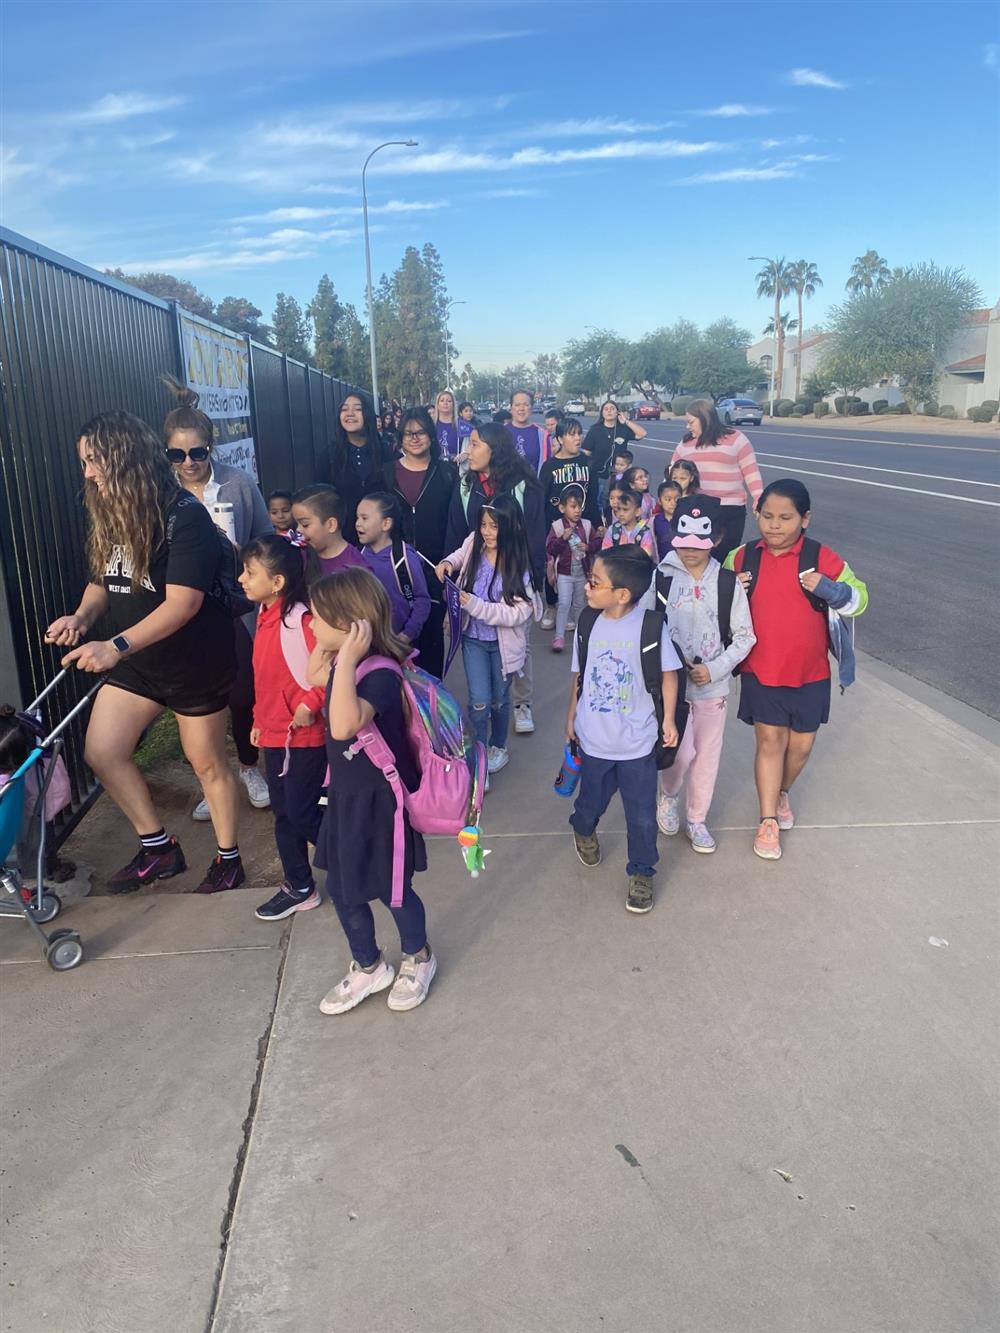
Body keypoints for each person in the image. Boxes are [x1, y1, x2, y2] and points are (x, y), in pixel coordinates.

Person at [45, 412, 243, 894]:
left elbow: (184, 603)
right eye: (84, 462)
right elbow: (102, 581)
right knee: (103, 751)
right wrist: (82, 619)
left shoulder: (184, 515)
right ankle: (158, 849)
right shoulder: (111, 512)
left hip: (193, 662)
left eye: (93, 461)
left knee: (207, 763)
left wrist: (114, 646)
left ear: (123, 457)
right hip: (140, 661)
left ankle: (228, 858)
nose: (87, 473)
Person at [308, 569, 436, 1015]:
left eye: (319, 617)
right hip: (345, 797)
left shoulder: (379, 675)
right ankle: (369, 965)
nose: (310, 623)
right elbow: (311, 674)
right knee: (342, 888)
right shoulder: (346, 665)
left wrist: (346, 659)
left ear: (350, 625)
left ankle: (419, 956)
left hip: (382, 803)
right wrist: (338, 651)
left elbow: (344, 724)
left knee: (392, 888)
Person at [724, 479, 869, 861]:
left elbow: (860, 600)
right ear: (756, 515)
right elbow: (711, 601)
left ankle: (782, 791)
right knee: (770, 741)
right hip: (761, 669)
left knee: (801, 747)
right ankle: (768, 818)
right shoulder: (741, 558)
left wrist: (831, 589)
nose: (774, 525)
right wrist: (729, 592)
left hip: (810, 672)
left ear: (805, 519)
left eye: (785, 518)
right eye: (767, 516)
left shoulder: (822, 558)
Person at [163, 378, 273, 816]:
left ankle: (248, 767)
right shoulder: (161, 494)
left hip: (235, 606)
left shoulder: (238, 484)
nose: (188, 462)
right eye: (177, 454)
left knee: (244, 692)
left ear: (211, 447)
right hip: (182, 610)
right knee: (195, 701)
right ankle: (213, 780)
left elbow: (265, 536)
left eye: (197, 452)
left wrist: (244, 560)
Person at [565, 547, 680, 914]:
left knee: (642, 817)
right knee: (589, 805)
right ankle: (582, 828)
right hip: (594, 741)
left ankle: (642, 872)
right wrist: (571, 718)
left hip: (637, 744)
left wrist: (669, 720)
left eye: (595, 582)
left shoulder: (649, 626)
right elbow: (580, 676)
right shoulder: (588, 623)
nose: (587, 587)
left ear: (622, 594)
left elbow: (668, 675)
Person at [655, 495, 756, 852]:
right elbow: (648, 630)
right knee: (679, 753)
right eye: (684, 544)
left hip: (713, 690)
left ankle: (697, 819)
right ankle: (668, 795)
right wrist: (667, 667)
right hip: (673, 690)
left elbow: (746, 636)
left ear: (717, 539)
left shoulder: (727, 583)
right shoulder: (661, 577)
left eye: (700, 543)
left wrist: (714, 669)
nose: (691, 551)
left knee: (707, 756)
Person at [237, 536, 328, 921]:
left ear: (277, 582)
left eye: (250, 572)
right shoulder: (264, 615)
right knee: (284, 813)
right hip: (275, 734)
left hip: (305, 736)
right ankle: (299, 885)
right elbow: (265, 677)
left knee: (303, 812)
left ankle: (351, 857)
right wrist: (259, 719)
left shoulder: (302, 620)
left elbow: (330, 670)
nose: (242, 579)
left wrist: (311, 704)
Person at [444, 422, 545, 735]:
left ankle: (521, 703)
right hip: (477, 581)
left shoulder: (524, 486)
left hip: (514, 580)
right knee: (481, 646)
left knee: (517, 643)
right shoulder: (465, 485)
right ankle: (488, 711)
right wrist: (453, 573)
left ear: (494, 449)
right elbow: (459, 533)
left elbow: (535, 537)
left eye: (475, 444)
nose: (469, 451)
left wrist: (531, 582)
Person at [436, 495, 540, 778]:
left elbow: (518, 613)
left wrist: (475, 606)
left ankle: (499, 747)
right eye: (484, 525)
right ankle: (480, 754)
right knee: (479, 702)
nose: (487, 532)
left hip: (504, 647)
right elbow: (461, 553)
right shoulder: (474, 543)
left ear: (510, 527)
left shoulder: (518, 564)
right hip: (473, 640)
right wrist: (448, 563)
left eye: (494, 526)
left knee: (500, 701)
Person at [380, 406, 458, 679]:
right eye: (408, 433)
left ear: (431, 437)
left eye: (421, 432)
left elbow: (455, 524)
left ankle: (433, 711)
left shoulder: (448, 474)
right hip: (393, 571)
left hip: (435, 571)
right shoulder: (386, 474)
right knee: (397, 644)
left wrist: (451, 570)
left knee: (431, 645)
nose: (415, 438)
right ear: (400, 438)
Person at [670, 399, 763, 563]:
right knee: (700, 559)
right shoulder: (685, 445)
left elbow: (751, 471)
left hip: (731, 509)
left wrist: (759, 498)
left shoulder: (736, 439)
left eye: (691, 422)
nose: (688, 426)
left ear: (705, 418)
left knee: (726, 557)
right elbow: (671, 475)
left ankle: (725, 587)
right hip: (698, 510)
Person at [356, 491, 432, 644]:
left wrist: (407, 635)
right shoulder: (358, 556)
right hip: (367, 643)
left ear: (386, 524)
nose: (358, 523)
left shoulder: (405, 558)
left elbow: (422, 600)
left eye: (364, 518)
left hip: (400, 642)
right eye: (357, 517)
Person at [329, 393, 393, 543]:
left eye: (357, 409)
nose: (350, 413)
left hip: (382, 541)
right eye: (345, 409)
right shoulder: (330, 455)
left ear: (368, 415)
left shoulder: (385, 452)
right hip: (343, 541)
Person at [545, 484, 601, 652]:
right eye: (573, 506)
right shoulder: (557, 527)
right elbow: (550, 549)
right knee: (563, 604)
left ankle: (580, 636)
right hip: (564, 573)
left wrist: (588, 547)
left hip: (582, 573)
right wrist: (562, 538)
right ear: (562, 508)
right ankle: (559, 637)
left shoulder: (587, 525)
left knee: (580, 604)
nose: (577, 511)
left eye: (580, 507)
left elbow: (598, 542)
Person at [292, 486, 365, 583]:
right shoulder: (301, 556)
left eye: (305, 524)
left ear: (331, 525)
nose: (298, 530)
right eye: (297, 524)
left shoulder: (357, 570)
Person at [538, 417, 601, 526]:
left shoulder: (588, 462)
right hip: (556, 530)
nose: (577, 438)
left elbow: (592, 498)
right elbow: (541, 501)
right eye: (572, 434)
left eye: (579, 433)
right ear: (560, 439)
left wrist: (597, 525)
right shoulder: (549, 466)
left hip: (584, 528)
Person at [583, 400, 646, 505]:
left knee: (619, 505)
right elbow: (585, 453)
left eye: (612, 409)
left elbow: (642, 434)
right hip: (599, 477)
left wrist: (626, 421)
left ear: (617, 412)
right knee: (600, 504)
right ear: (602, 413)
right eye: (606, 409)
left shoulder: (623, 429)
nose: (609, 411)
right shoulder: (595, 430)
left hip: (619, 478)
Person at [506, 389, 552, 474]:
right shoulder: (500, 432)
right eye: (517, 405)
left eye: (526, 405)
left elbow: (548, 466)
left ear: (531, 408)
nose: (521, 408)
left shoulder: (542, 435)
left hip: (534, 485)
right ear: (511, 408)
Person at [602, 488, 656, 559]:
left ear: (637, 512)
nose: (621, 514)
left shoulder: (644, 532)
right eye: (619, 509)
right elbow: (605, 553)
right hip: (615, 568)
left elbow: (646, 557)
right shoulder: (612, 530)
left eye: (625, 510)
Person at [433, 389, 461, 464]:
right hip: (436, 467)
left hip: (457, 467)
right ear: (437, 405)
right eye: (442, 400)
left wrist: (465, 454)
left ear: (453, 404)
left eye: (449, 401)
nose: (445, 403)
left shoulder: (461, 425)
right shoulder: (431, 425)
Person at [654, 480, 681, 554]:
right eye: (668, 499)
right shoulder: (654, 521)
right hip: (661, 562)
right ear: (659, 501)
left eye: (677, 499)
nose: (673, 503)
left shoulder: (685, 520)